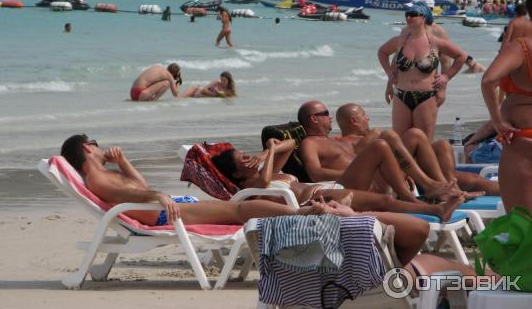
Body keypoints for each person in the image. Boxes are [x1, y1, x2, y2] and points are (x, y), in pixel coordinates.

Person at [61, 133, 430, 265]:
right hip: (161, 214)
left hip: (163, 208)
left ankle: (303, 212)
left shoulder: (104, 172)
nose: (99, 145)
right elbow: (126, 194)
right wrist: (156, 193)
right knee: (240, 209)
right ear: (86, 149)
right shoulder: (96, 177)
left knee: (242, 209)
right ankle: (304, 214)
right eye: (93, 143)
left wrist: (124, 161)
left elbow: (131, 185)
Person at [211, 138, 462, 221]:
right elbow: (265, 184)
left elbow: (291, 144)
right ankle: (436, 209)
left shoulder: (268, 168)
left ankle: (416, 199)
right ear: (236, 174)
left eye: (245, 154)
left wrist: (269, 149)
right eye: (242, 160)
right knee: (383, 200)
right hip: (321, 199)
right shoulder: (248, 186)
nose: (247, 159)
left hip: (332, 188)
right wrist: (270, 154)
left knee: (380, 146)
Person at [296, 100, 459, 203]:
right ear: (313, 118)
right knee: (385, 139)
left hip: (376, 177)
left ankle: (439, 187)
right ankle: (429, 187)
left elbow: (359, 153)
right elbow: (315, 173)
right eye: (325, 114)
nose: (330, 117)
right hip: (357, 185)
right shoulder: (309, 143)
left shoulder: (334, 140)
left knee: (415, 134)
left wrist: (400, 170)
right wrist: (357, 172)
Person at [334, 103, 499, 196]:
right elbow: (357, 164)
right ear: (354, 121)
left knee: (442, 146)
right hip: (384, 181)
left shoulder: (370, 138)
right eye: (364, 115)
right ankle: (439, 188)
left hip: (405, 173)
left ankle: (448, 187)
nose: (367, 118)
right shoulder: (347, 142)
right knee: (414, 134)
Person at [378, 2, 467, 140]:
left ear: (424, 17)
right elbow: (382, 52)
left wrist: (446, 78)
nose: (409, 17)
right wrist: (389, 74)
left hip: (426, 97)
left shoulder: (435, 41)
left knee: (423, 142)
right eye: (407, 14)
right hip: (401, 95)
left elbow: (461, 56)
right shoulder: (401, 40)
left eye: (413, 14)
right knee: (399, 142)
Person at [481, 0, 532, 212]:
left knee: (522, 220)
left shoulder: (522, 47)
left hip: (523, 141)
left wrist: (498, 121)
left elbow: (488, 81)